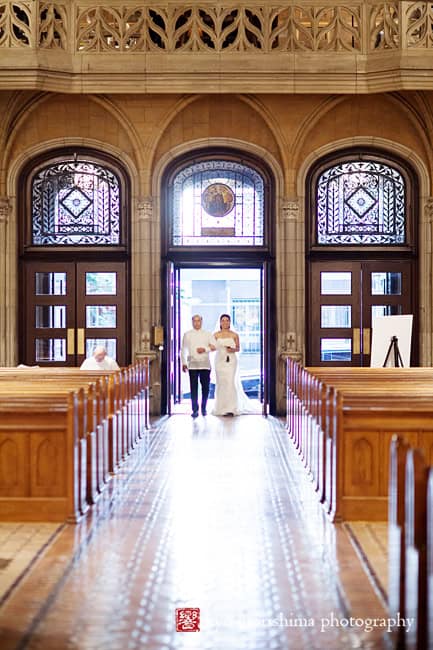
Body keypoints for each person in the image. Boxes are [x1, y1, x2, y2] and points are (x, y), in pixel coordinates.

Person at [212, 313, 253, 416]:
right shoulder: (216, 335)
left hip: (231, 360)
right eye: (223, 320)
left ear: (230, 322)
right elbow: (211, 347)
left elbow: (238, 348)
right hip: (220, 360)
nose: (225, 322)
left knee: (230, 382)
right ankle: (221, 407)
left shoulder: (234, 335)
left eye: (227, 320)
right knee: (221, 383)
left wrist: (232, 349)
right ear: (220, 322)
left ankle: (231, 407)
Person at [181, 314, 215, 418]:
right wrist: (184, 363)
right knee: (193, 388)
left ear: (201, 321)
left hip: (205, 364)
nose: (196, 323)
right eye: (194, 321)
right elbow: (184, 349)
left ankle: (204, 407)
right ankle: (195, 409)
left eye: (198, 321)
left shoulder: (208, 334)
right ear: (192, 322)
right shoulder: (187, 334)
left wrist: (205, 349)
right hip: (192, 365)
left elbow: (214, 346)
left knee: (205, 388)